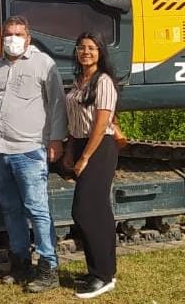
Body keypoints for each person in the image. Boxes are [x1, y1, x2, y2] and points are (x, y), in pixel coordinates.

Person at [0, 15, 67, 293]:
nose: (13, 39)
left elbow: (57, 103)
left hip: (30, 150)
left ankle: (48, 267)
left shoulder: (43, 64)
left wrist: (56, 139)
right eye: (8, 34)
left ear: (28, 37)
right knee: (11, 210)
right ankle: (20, 263)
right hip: (0, 151)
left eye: (18, 34)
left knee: (38, 210)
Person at [62, 32, 119, 299]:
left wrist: (85, 157)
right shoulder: (78, 82)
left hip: (99, 147)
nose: (86, 52)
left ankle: (102, 276)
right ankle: (103, 271)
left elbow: (100, 123)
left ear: (100, 52)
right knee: (100, 213)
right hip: (83, 144)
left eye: (92, 48)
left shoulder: (103, 81)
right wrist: (71, 152)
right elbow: (75, 124)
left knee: (84, 210)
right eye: (82, 47)